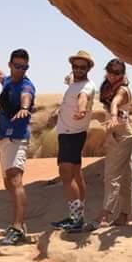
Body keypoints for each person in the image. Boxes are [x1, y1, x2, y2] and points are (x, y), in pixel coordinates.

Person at [0, 49, 36, 246]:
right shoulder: (8, 81)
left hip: (17, 139)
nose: (21, 70)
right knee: (9, 182)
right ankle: (20, 226)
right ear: (10, 65)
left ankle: (17, 228)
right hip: (5, 140)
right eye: (17, 66)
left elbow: (27, 96)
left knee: (15, 180)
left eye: (24, 67)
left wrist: (25, 108)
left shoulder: (26, 85)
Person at [85, 59, 132, 230]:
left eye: (116, 73)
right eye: (110, 72)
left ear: (122, 74)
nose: (112, 76)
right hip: (118, 135)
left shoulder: (122, 90)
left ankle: (105, 214)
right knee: (126, 176)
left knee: (111, 175)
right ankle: (124, 215)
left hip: (122, 135)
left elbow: (114, 102)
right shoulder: (107, 87)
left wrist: (113, 117)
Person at [51, 50, 97, 232]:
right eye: (75, 66)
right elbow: (72, 82)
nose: (78, 70)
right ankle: (78, 215)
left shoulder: (86, 87)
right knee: (76, 174)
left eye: (82, 67)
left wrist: (81, 110)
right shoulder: (75, 82)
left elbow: (82, 99)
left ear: (89, 68)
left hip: (71, 134)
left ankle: (75, 219)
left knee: (66, 174)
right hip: (72, 133)